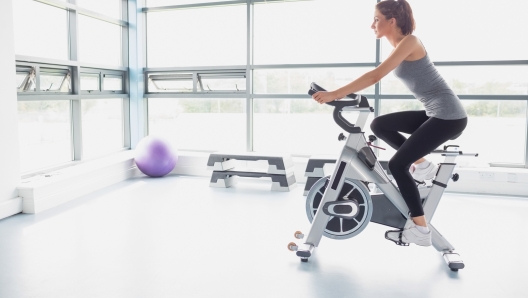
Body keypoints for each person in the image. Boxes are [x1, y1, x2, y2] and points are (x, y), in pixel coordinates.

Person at [311, 0, 467, 246]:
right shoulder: (400, 45)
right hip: (434, 113)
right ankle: (424, 166)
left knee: (397, 165)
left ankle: (420, 229)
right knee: (379, 125)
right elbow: (375, 75)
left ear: (391, 21)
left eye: (376, 19)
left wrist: (334, 94)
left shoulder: (411, 42)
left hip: (448, 116)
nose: (372, 24)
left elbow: (375, 76)